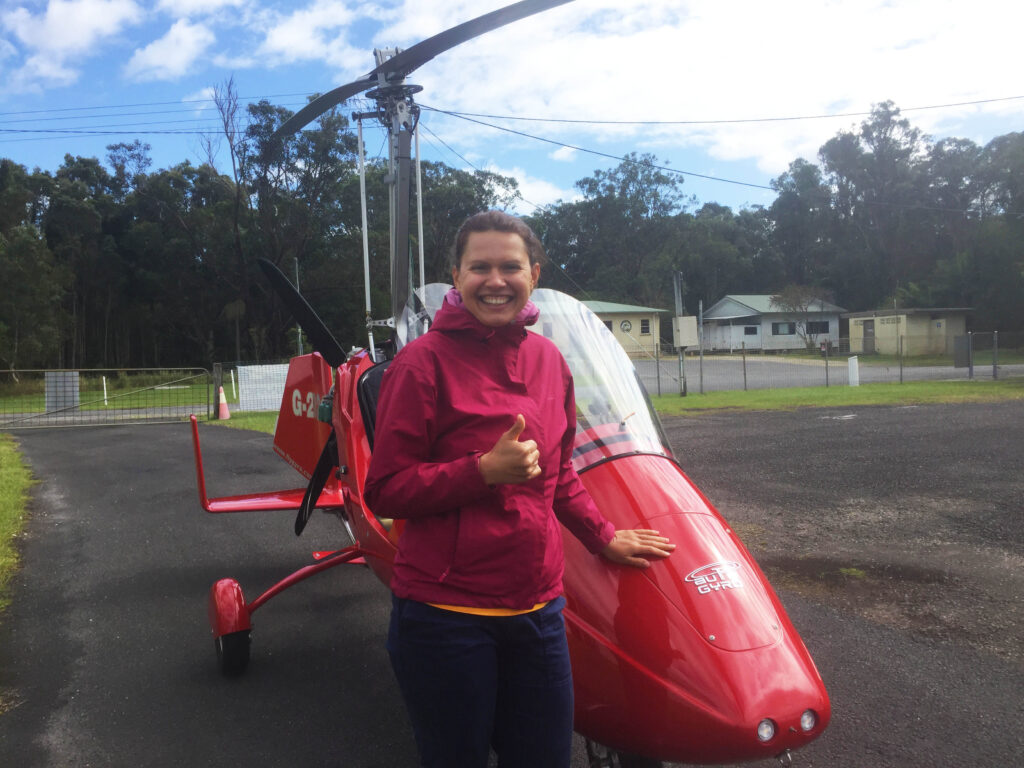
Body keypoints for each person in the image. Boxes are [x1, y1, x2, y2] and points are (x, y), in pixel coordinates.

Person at [364, 210, 674, 768]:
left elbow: (560, 474)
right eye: (479, 267)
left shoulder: (549, 361)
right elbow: (385, 490)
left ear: (534, 273)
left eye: (510, 266)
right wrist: (480, 471)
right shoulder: (421, 365)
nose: (495, 280)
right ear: (456, 278)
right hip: (445, 617)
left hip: (537, 612)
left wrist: (603, 538)